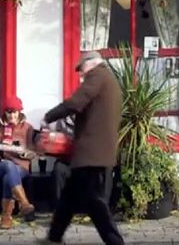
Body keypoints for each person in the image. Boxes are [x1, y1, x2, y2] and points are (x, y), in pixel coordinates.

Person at [41, 51, 125, 245]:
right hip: (94, 152)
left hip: (92, 153)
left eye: (82, 69)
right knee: (69, 198)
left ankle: (115, 241)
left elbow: (76, 102)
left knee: (95, 202)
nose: (81, 75)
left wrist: (49, 116)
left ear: (91, 63)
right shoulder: (109, 79)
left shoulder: (97, 76)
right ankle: (54, 237)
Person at [0, 95, 36, 229]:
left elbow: (33, 152)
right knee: (8, 165)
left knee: (9, 174)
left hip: (21, 167)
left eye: (14, 112)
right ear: (5, 113)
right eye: (9, 112)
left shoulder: (27, 128)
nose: (11, 115)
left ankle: (6, 216)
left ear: (19, 112)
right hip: (0, 164)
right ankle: (24, 203)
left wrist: (23, 152)